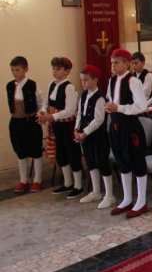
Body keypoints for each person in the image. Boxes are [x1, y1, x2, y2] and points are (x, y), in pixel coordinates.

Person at [105, 49, 148, 218]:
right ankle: (127, 198)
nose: (113, 66)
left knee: (136, 161)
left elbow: (142, 106)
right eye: (112, 63)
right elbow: (111, 100)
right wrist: (109, 107)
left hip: (130, 127)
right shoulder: (112, 80)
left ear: (127, 64)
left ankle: (141, 201)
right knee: (122, 162)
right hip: (116, 125)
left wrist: (120, 108)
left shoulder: (133, 81)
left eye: (116, 63)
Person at [38, 57, 83, 199]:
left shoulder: (69, 87)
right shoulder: (52, 84)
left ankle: (78, 186)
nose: (54, 72)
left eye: (58, 69)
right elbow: (46, 102)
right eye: (53, 69)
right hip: (56, 125)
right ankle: (68, 183)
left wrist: (51, 116)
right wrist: (43, 112)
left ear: (67, 71)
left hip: (68, 125)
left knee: (72, 153)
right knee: (61, 153)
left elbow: (70, 110)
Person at [73, 64, 115, 209]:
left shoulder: (100, 98)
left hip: (98, 137)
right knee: (91, 162)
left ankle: (109, 195)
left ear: (95, 80)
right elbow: (80, 114)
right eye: (82, 80)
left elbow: (98, 120)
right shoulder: (84, 95)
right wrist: (76, 129)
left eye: (86, 80)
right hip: (86, 136)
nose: (83, 83)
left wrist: (84, 132)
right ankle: (96, 191)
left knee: (102, 163)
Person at [6, 56, 43, 193]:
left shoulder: (32, 85)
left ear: (25, 69)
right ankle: (23, 180)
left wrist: (38, 115)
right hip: (16, 121)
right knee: (20, 151)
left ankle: (37, 180)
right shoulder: (10, 86)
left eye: (17, 70)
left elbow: (40, 103)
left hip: (30, 121)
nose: (15, 73)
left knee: (35, 150)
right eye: (12, 70)